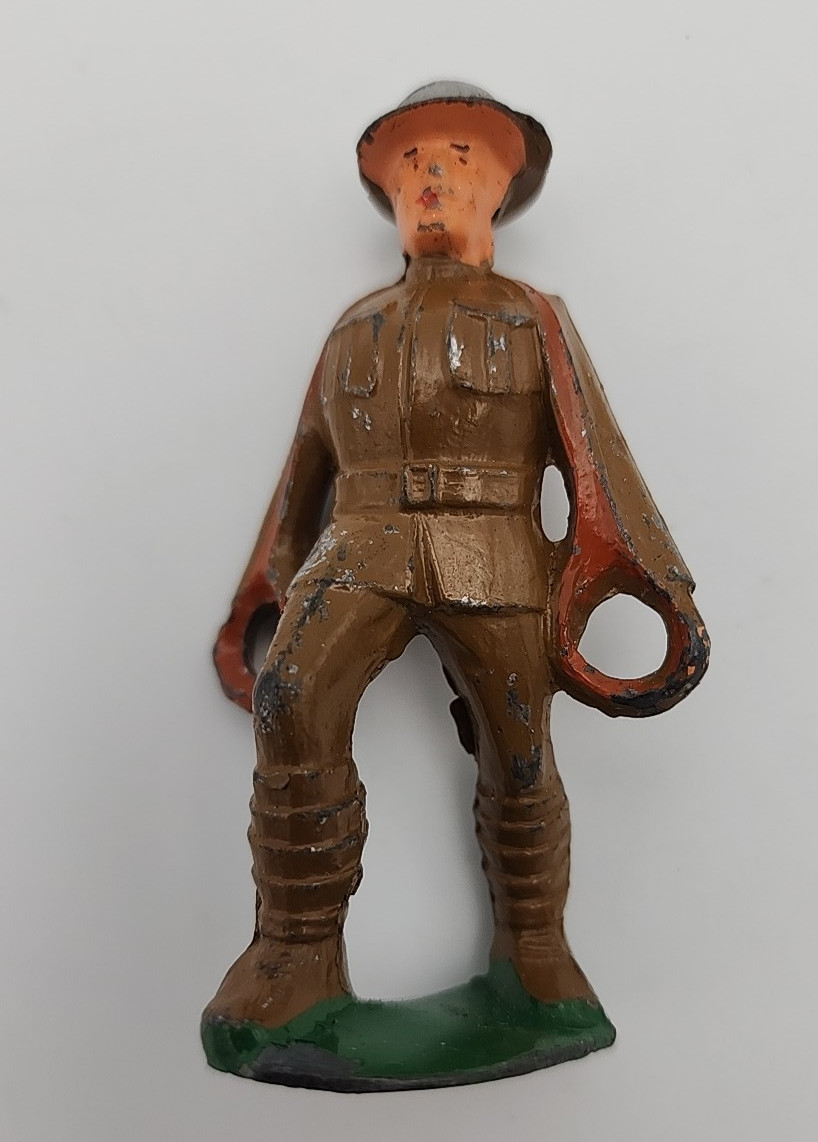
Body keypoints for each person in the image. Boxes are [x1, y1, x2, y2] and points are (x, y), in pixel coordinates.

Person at [203, 82, 709, 1080]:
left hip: (495, 553)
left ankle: (539, 955)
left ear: (500, 193)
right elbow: (305, 468)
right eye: (412, 165)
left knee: (519, 753)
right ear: (391, 197)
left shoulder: (535, 317)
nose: (432, 176)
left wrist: (655, 574)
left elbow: (598, 453)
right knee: (290, 701)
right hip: (360, 548)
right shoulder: (353, 325)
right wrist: (265, 583)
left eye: (460, 160)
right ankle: (295, 959)